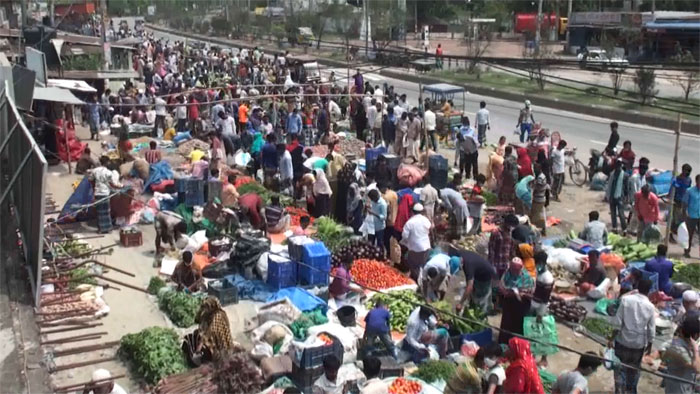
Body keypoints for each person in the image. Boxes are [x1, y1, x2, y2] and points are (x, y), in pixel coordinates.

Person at [611, 279, 655, 394]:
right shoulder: (650, 307)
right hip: (638, 345)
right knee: (633, 370)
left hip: (622, 341)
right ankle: (630, 391)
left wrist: (611, 338)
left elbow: (617, 323)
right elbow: (651, 329)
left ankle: (619, 390)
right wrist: (649, 345)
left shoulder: (626, 300)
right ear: (649, 291)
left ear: (637, 287)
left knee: (620, 368)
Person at [498, 257, 535, 344]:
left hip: (521, 305)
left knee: (518, 326)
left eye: (516, 269)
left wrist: (520, 293)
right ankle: (504, 343)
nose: (514, 271)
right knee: (506, 324)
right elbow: (501, 285)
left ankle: (517, 344)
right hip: (509, 304)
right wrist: (508, 292)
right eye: (512, 269)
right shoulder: (508, 273)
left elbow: (530, 293)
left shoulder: (526, 277)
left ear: (521, 268)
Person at [192, 297, 237, 362]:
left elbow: (210, 331)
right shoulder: (207, 314)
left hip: (220, 340)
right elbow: (197, 320)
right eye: (205, 307)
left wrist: (199, 348)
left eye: (207, 307)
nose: (206, 309)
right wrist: (201, 309)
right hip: (210, 337)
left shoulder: (218, 315)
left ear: (213, 307)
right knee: (197, 333)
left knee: (220, 356)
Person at [663, 316, 700, 394]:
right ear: (696, 335)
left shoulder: (687, 346)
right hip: (677, 390)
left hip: (685, 389)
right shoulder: (678, 348)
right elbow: (697, 368)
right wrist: (696, 351)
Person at [456, 249, 497, 314]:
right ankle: (471, 308)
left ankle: (480, 314)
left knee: (480, 300)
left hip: (485, 276)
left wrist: (460, 303)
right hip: (478, 272)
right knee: (472, 295)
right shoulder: (460, 254)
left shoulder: (468, 266)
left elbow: (469, 287)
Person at [89, 156, 122, 234]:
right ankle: (108, 228)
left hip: (97, 193)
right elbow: (114, 183)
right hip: (105, 193)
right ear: (107, 162)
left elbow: (90, 180)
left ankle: (101, 229)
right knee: (106, 211)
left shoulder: (95, 171)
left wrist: (94, 187)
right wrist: (121, 186)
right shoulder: (108, 172)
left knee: (99, 212)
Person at [401, 203, 432, 281]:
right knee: (422, 265)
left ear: (412, 212)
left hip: (415, 249)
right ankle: (423, 280)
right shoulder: (425, 220)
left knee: (414, 266)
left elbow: (404, 236)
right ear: (421, 212)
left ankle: (417, 282)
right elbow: (430, 228)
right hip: (426, 247)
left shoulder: (410, 222)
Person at [606, 159, 629, 234]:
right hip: (612, 196)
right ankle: (614, 227)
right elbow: (609, 185)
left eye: (619, 166)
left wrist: (626, 197)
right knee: (613, 213)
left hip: (620, 197)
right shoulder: (612, 174)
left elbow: (626, 188)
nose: (618, 167)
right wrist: (608, 195)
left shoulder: (625, 175)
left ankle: (624, 229)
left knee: (621, 214)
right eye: (617, 166)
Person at [671, 164, 693, 240]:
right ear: (683, 170)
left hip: (685, 202)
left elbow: (689, 190)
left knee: (682, 219)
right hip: (677, 201)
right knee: (676, 219)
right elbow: (673, 188)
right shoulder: (677, 179)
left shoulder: (689, 179)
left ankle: (678, 233)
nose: (687, 173)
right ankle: (672, 234)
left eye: (689, 172)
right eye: (686, 171)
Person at [683, 174, 700, 258]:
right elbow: (685, 203)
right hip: (691, 216)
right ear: (696, 181)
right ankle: (687, 251)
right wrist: (685, 215)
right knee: (689, 235)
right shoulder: (689, 191)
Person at [366, 189, 387, 253]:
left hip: (379, 228)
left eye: (372, 199)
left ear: (375, 197)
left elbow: (384, 217)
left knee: (379, 244)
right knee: (370, 243)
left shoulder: (382, 204)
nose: (371, 200)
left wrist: (373, 213)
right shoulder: (373, 201)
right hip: (372, 226)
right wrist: (369, 206)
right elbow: (373, 207)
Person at [530, 167, 550, 235]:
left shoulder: (540, 178)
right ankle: (543, 229)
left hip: (538, 200)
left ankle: (534, 231)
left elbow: (536, 188)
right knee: (541, 214)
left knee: (534, 216)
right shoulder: (543, 176)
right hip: (542, 199)